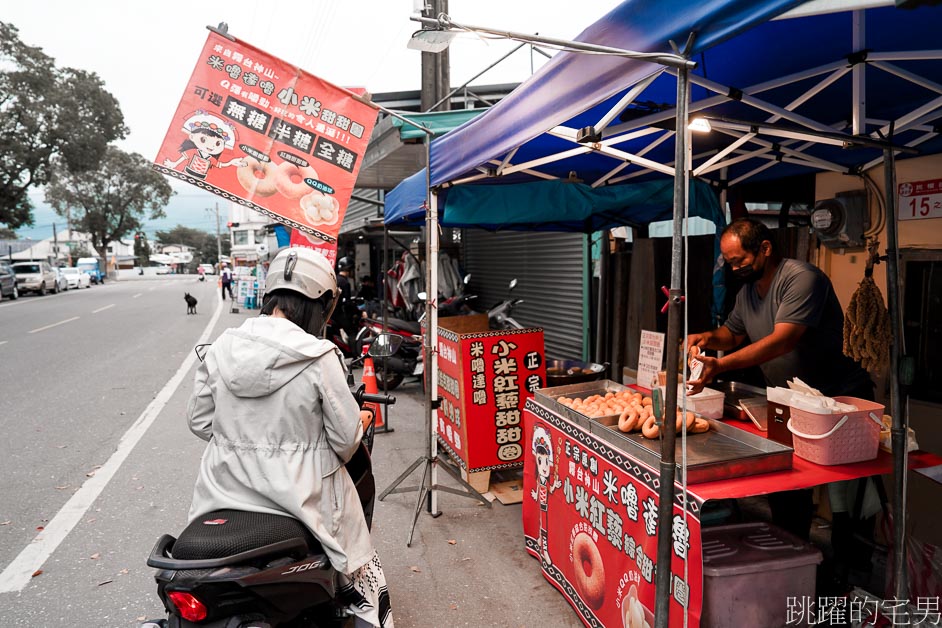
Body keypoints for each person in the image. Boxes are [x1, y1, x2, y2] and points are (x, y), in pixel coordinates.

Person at [186, 246, 394, 627]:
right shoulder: (318, 356)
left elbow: (200, 423)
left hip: (220, 496)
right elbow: (347, 442)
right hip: (304, 503)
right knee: (364, 578)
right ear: (321, 304)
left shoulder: (220, 348)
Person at [686, 217, 875, 591]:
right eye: (729, 262)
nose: (734, 268)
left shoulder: (802, 278)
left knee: (845, 498)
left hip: (837, 403)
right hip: (789, 402)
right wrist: (708, 336)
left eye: (739, 260)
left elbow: (782, 340)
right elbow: (733, 333)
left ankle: (849, 579)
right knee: (788, 489)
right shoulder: (748, 292)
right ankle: (794, 566)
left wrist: (719, 364)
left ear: (765, 248)